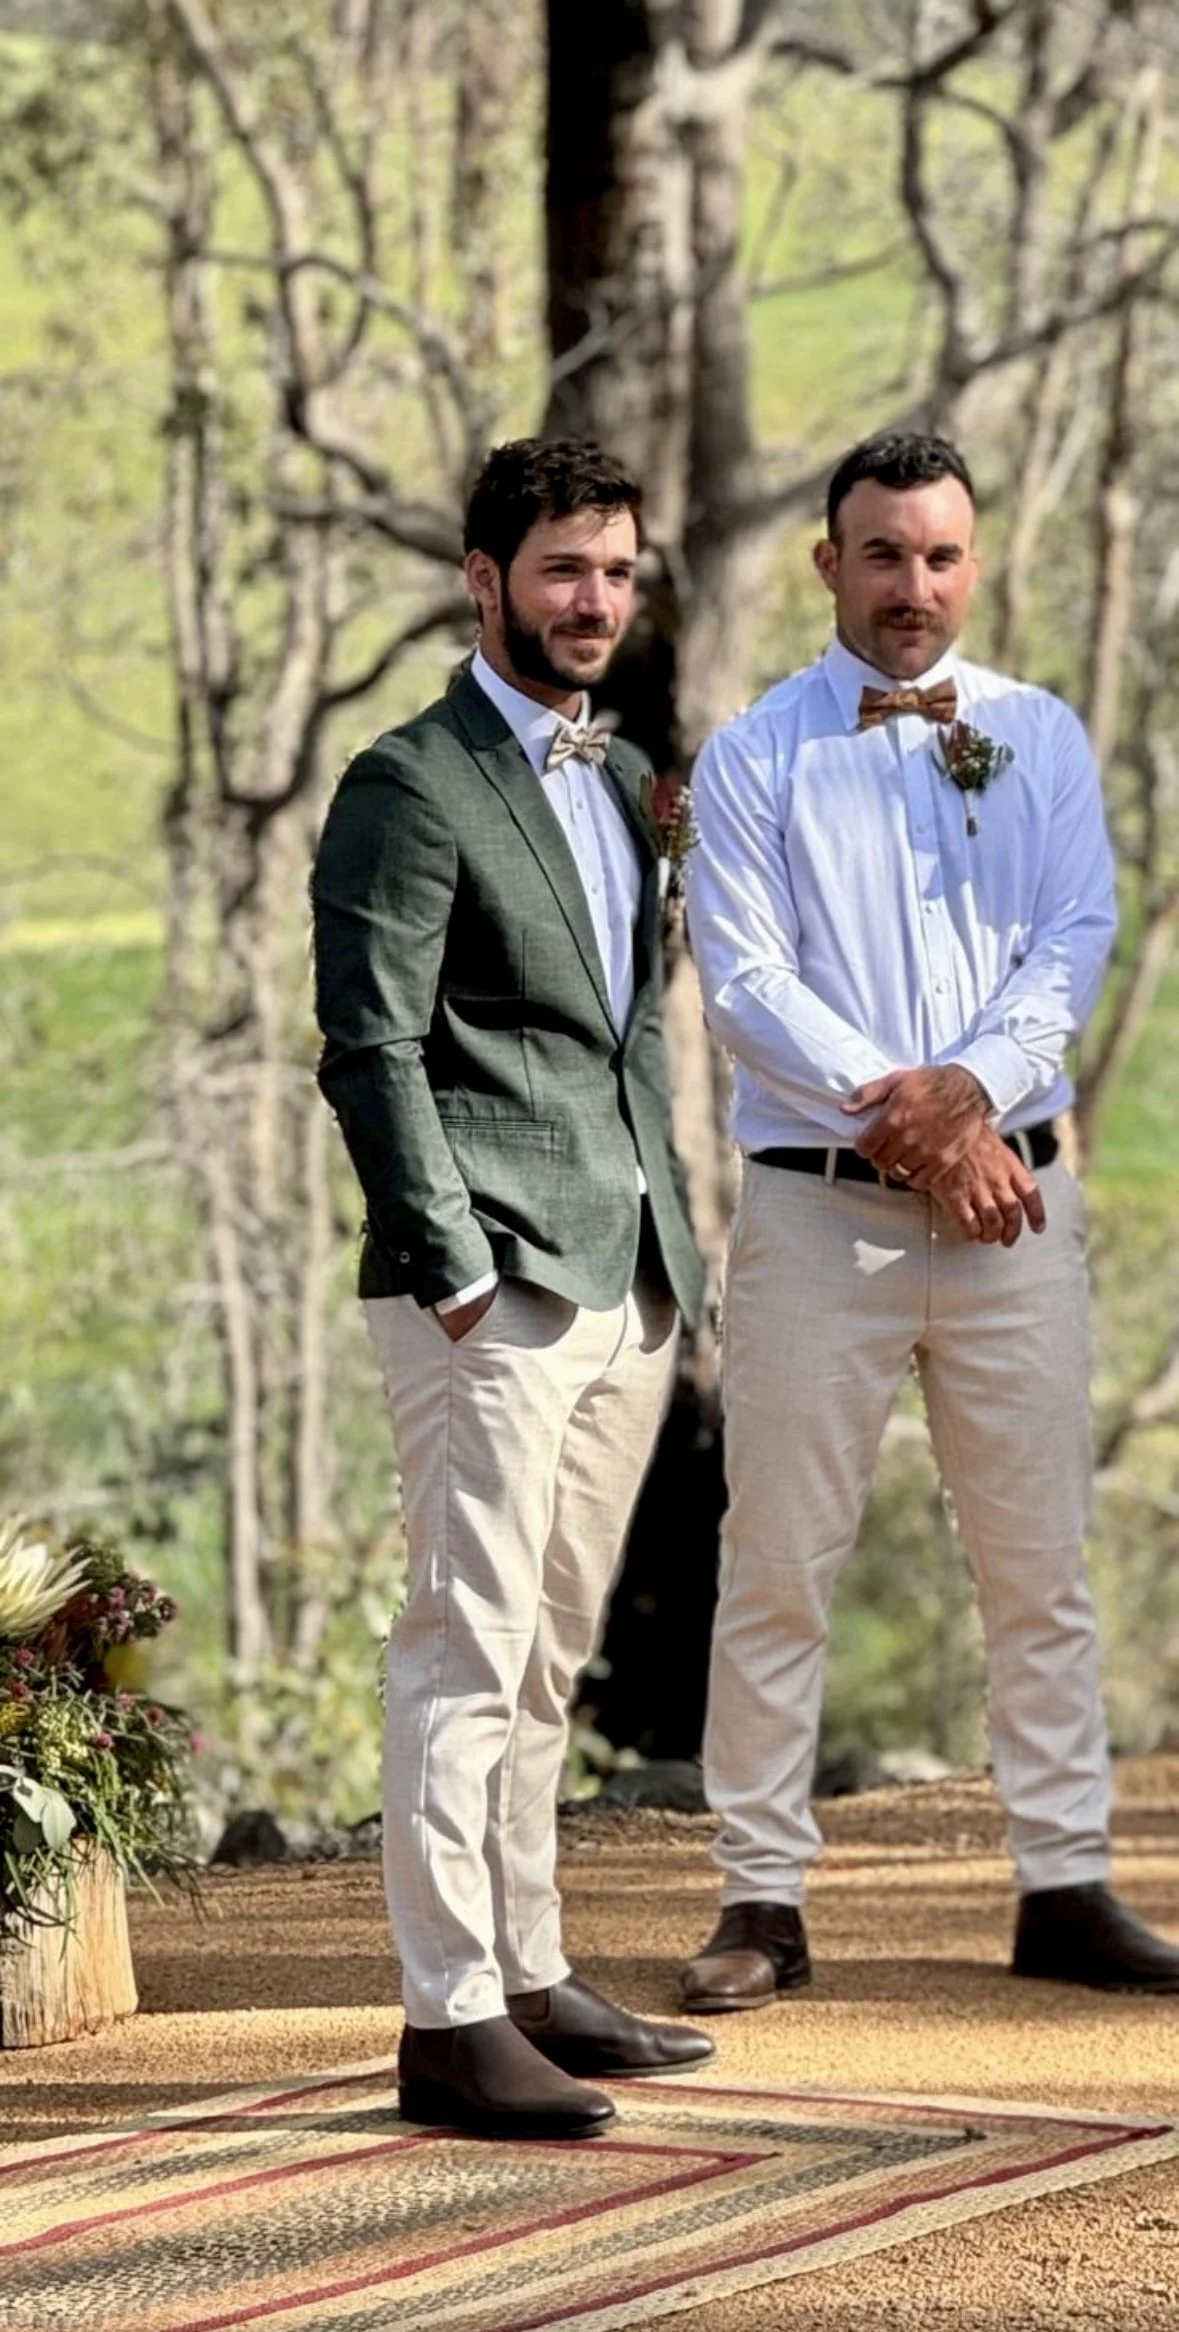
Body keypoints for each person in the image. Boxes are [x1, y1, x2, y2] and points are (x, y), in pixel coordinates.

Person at [679, 428, 1179, 2012]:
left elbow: (1074, 934)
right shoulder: (752, 756)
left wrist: (969, 1096)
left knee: (1038, 1564)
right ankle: (759, 1898)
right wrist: (910, 1120)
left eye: (939, 555)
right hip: (815, 1218)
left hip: (1010, 1209)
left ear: (973, 563)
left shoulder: (1038, 734)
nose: (912, 585)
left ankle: (1064, 1883)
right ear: (826, 563)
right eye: (883, 554)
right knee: (777, 1561)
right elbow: (746, 985)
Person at [313, 436, 712, 2137]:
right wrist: (457, 1264)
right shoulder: (408, 783)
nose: (593, 601)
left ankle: (532, 1974)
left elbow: (626, 1037)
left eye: (615, 572)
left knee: (549, 1648)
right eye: (562, 570)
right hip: (484, 1284)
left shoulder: (623, 782)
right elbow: (371, 1045)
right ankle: (448, 2016)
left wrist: (667, 1253)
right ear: (483, 581)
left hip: (622, 1274)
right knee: (462, 1648)